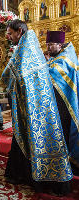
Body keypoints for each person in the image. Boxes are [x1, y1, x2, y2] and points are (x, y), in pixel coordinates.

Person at [1, 20, 73, 196]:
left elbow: (10, 75)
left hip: (34, 106)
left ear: (19, 31)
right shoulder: (30, 46)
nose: (8, 37)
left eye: (10, 33)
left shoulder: (26, 49)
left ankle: (34, 178)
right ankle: (25, 175)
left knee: (33, 138)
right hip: (38, 105)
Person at [46, 31, 79, 175]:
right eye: (47, 44)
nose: (48, 47)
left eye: (51, 44)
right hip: (57, 103)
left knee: (64, 133)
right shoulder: (58, 56)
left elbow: (54, 73)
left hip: (65, 105)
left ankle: (66, 165)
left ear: (60, 44)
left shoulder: (65, 59)